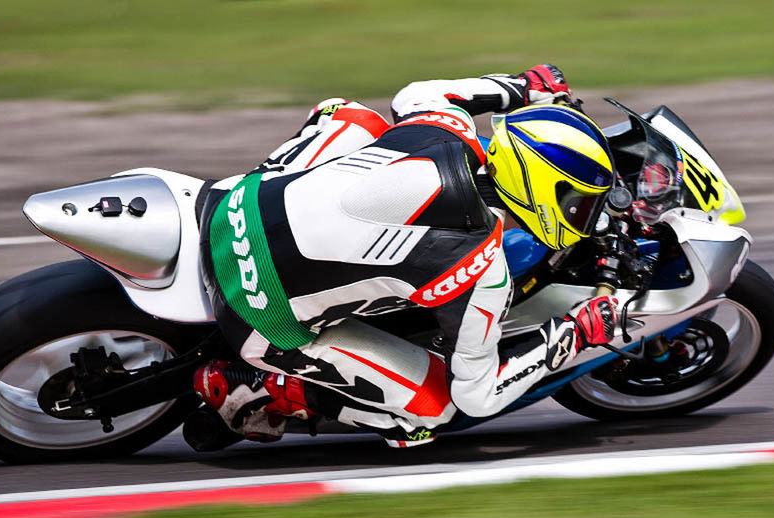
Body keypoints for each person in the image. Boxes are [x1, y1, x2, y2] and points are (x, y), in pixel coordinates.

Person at [191, 64, 618, 448]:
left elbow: (415, 93)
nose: (583, 214)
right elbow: (478, 395)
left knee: (349, 114)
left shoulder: (450, 128)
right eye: (577, 201)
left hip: (237, 201)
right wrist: (575, 332)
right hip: (256, 312)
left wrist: (524, 87)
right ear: (540, 189)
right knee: (435, 409)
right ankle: (266, 388)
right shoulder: (483, 269)